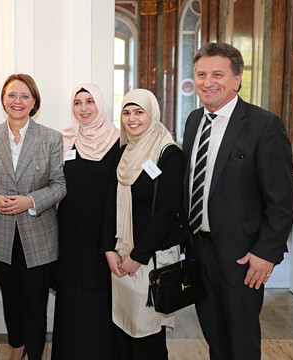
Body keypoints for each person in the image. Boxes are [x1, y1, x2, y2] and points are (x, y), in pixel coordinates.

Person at [182, 42, 293, 359]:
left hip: (244, 258)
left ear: (237, 79)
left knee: (242, 343)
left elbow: (282, 200)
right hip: (199, 252)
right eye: (202, 74)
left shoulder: (264, 125)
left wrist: (266, 254)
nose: (208, 82)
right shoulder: (193, 121)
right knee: (214, 337)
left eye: (217, 74)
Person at [0, 74, 66, 360]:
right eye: (12, 95)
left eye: (24, 96)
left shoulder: (51, 137)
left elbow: (60, 185)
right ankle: (18, 345)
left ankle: (35, 353)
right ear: (3, 99)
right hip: (1, 235)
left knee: (35, 304)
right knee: (11, 300)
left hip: (38, 235)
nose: (18, 101)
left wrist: (31, 201)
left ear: (34, 102)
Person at [103, 89, 186, 360]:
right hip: (121, 254)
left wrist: (137, 258)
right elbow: (110, 204)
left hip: (150, 259)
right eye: (126, 112)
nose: (131, 119)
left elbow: (166, 212)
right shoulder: (123, 152)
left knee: (147, 334)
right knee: (123, 327)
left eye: (139, 112)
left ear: (153, 114)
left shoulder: (169, 154)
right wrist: (109, 249)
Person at [52, 83, 120, 359]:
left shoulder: (119, 141)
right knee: (70, 292)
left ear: (100, 104)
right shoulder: (64, 140)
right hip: (69, 231)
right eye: (77, 103)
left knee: (100, 294)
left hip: (105, 232)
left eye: (89, 101)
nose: (83, 108)